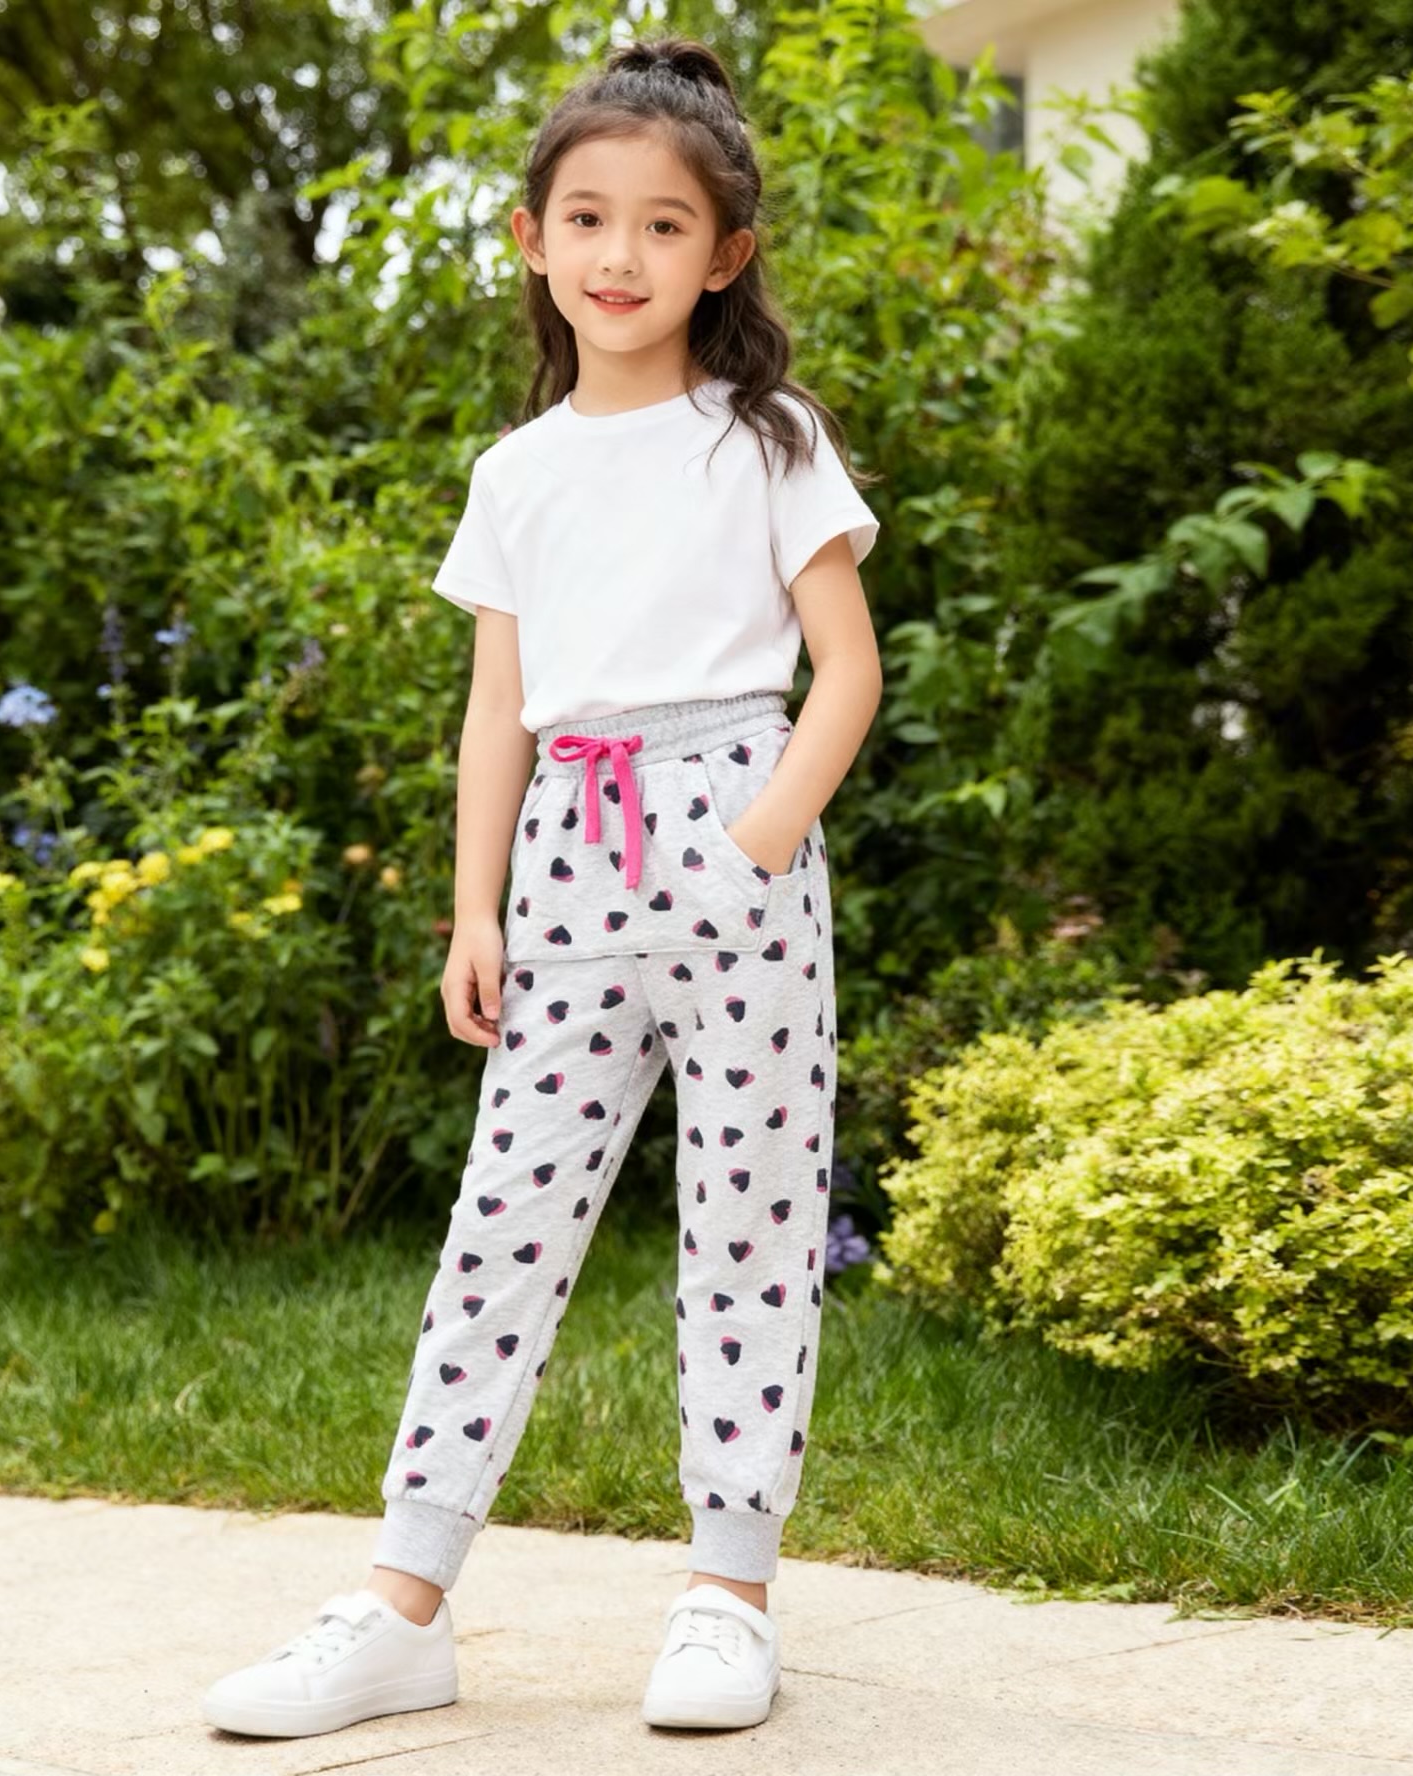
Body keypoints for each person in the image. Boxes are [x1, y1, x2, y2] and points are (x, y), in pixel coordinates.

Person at [203, 32, 882, 1743]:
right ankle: (402, 1604)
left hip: (735, 831)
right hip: (568, 862)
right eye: (587, 218)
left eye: (663, 225)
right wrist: (477, 909)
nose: (619, 255)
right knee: (503, 1227)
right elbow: (495, 710)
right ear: (530, 238)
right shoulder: (516, 475)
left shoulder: (768, 439)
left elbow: (850, 672)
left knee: (751, 1221)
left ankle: (729, 1593)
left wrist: (756, 844)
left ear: (723, 254)